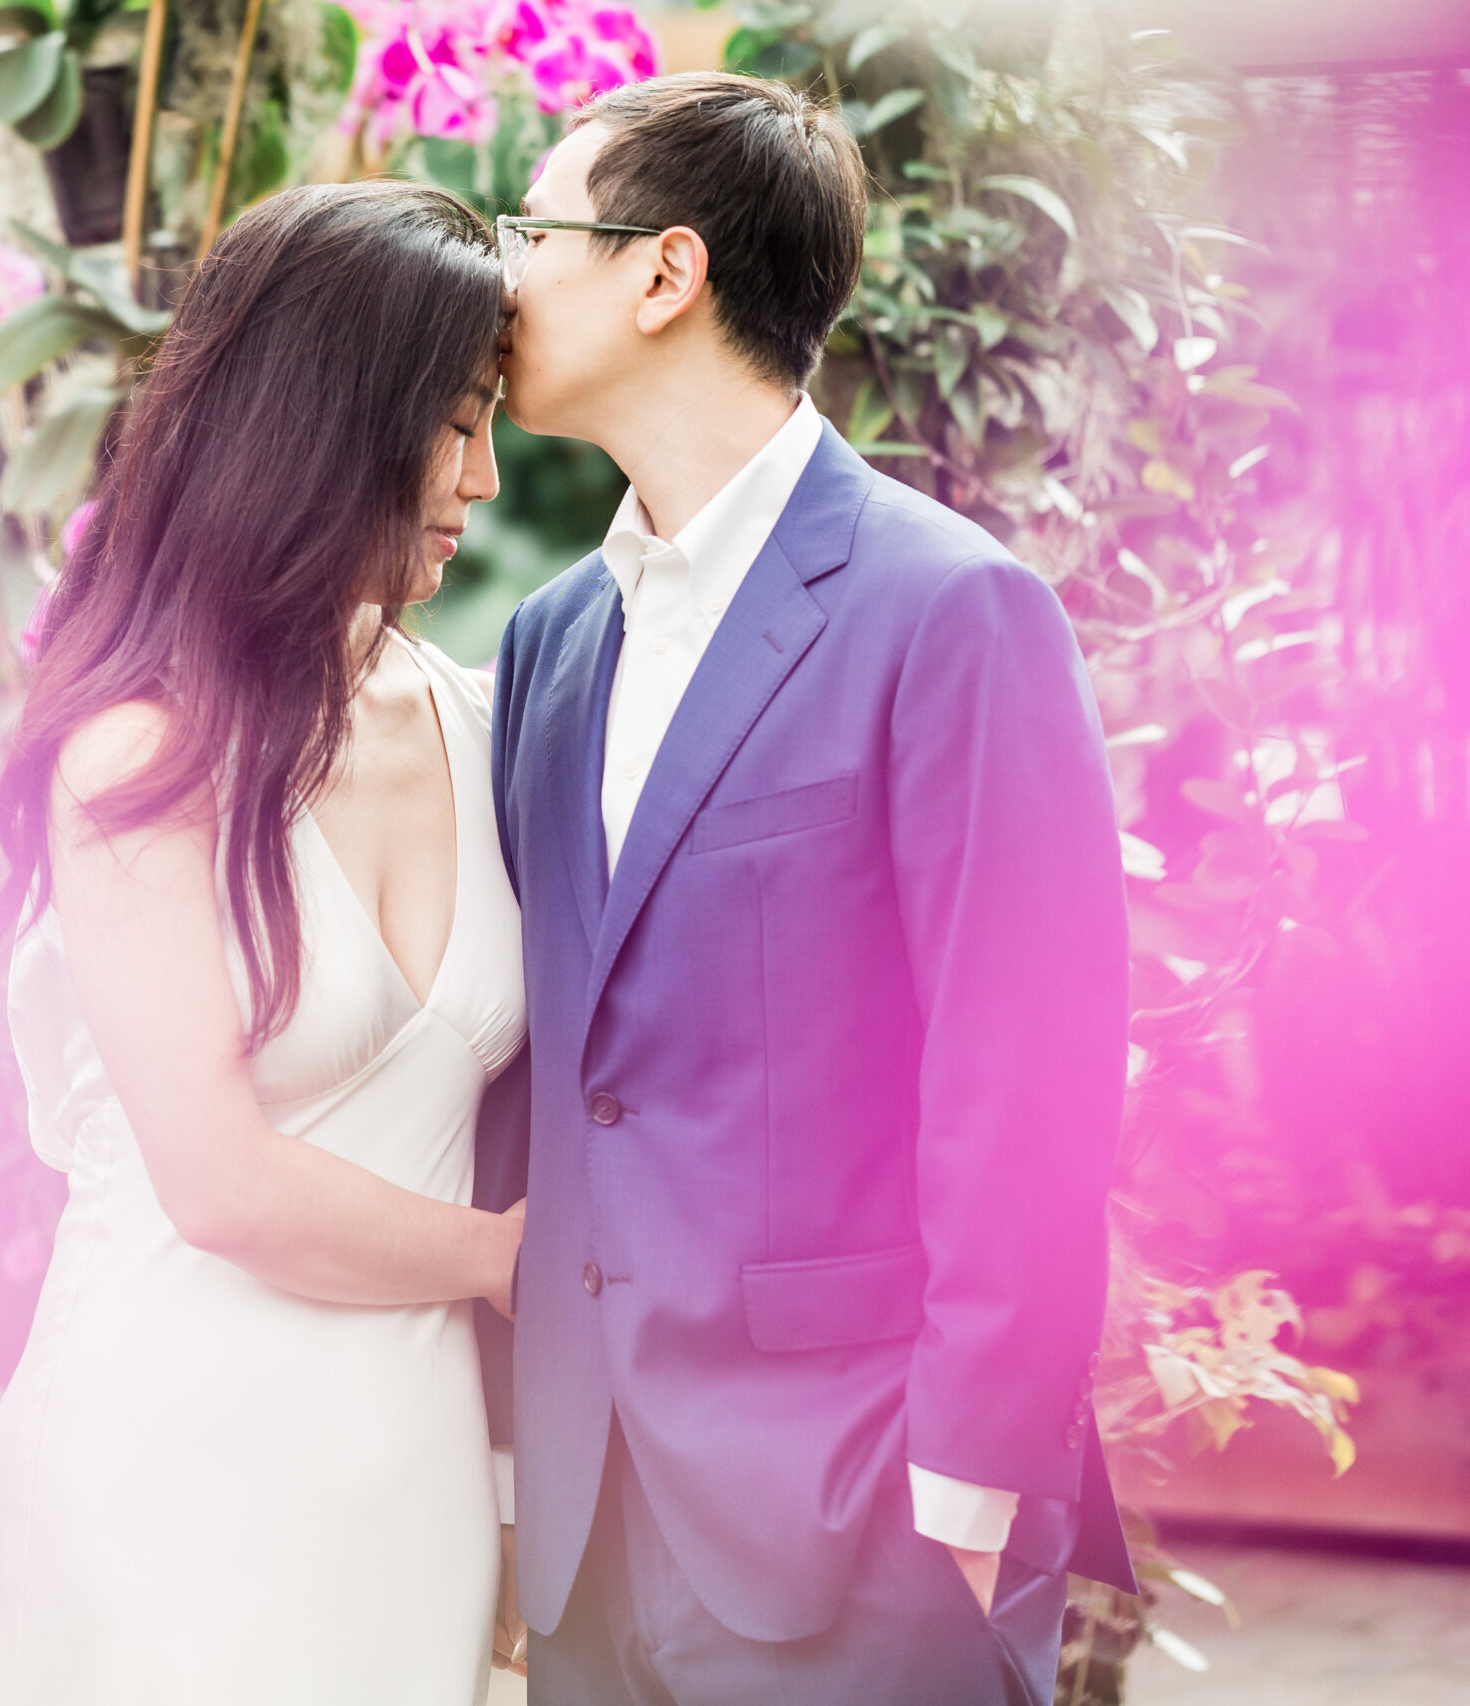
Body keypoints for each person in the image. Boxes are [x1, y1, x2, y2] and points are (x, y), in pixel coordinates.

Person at [480, 72, 1138, 1704]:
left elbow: (1034, 1071)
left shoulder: (953, 611)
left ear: (662, 272)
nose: (498, 275)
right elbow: (543, 1076)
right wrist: (513, 1453)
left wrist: (972, 1489)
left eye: (531, 228)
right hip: (587, 1525)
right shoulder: (547, 644)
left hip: (863, 1516)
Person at [0, 181, 528, 1705]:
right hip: (166, 1465)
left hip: (411, 1487)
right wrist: (519, 1262)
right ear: (327, 420)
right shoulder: (140, 755)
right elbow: (218, 1182)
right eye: (455, 421)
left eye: (494, 420)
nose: (482, 474)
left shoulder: (485, 723)